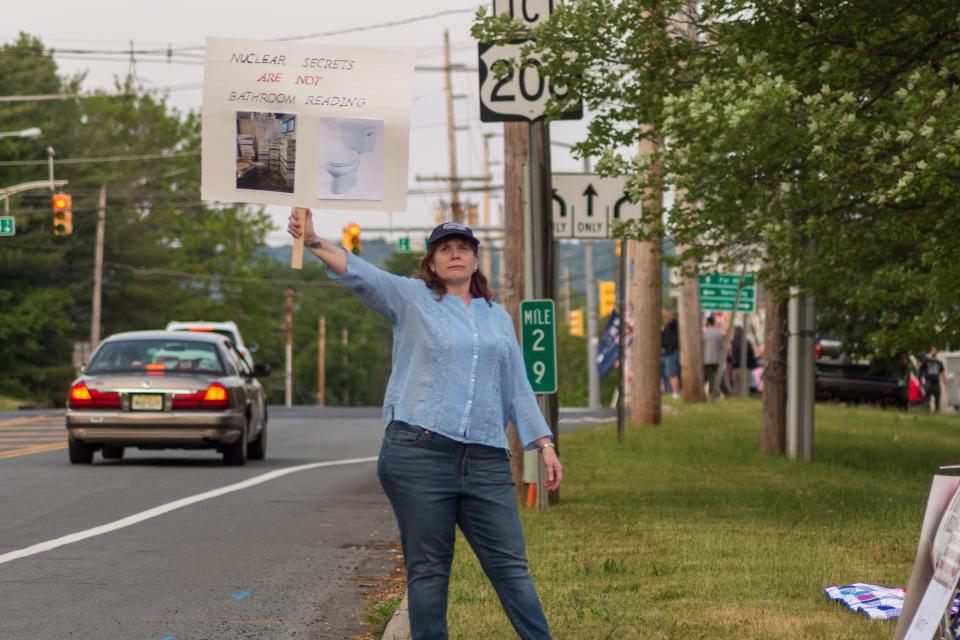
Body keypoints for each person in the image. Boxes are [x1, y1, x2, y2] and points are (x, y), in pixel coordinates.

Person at [288, 211, 561, 640]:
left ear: (475, 260)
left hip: (486, 460)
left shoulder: (498, 318)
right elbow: (363, 274)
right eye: (445, 250)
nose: (455, 255)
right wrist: (314, 240)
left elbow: (517, 387)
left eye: (463, 249)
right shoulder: (412, 298)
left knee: (511, 566)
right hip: (419, 452)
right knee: (430, 570)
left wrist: (543, 443)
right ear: (431, 263)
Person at [702, 315, 725, 399]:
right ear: (714, 322)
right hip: (717, 359)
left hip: (706, 359)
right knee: (714, 377)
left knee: (706, 377)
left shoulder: (703, 332)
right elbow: (723, 346)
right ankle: (713, 393)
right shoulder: (719, 332)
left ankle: (709, 393)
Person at [730, 326, 758, 395]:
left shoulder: (732, 343)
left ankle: (735, 403)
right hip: (745, 367)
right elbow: (751, 355)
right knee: (745, 388)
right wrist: (754, 365)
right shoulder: (747, 342)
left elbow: (729, 355)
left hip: (734, 367)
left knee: (736, 388)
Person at [919, 345, 947, 412]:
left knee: (937, 401)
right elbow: (921, 372)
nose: (934, 352)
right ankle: (927, 413)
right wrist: (920, 382)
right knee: (927, 401)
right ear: (930, 351)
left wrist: (945, 384)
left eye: (935, 350)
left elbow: (942, 374)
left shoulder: (939, 363)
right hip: (928, 383)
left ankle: (937, 414)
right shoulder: (926, 362)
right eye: (932, 350)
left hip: (936, 383)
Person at [661, 309, 680, 399]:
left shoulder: (674, 325)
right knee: (669, 374)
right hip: (667, 352)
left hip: (672, 352)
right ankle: (671, 391)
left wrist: (663, 311)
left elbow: (670, 318)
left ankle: (675, 392)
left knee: (672, 373)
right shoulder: (667, 327)